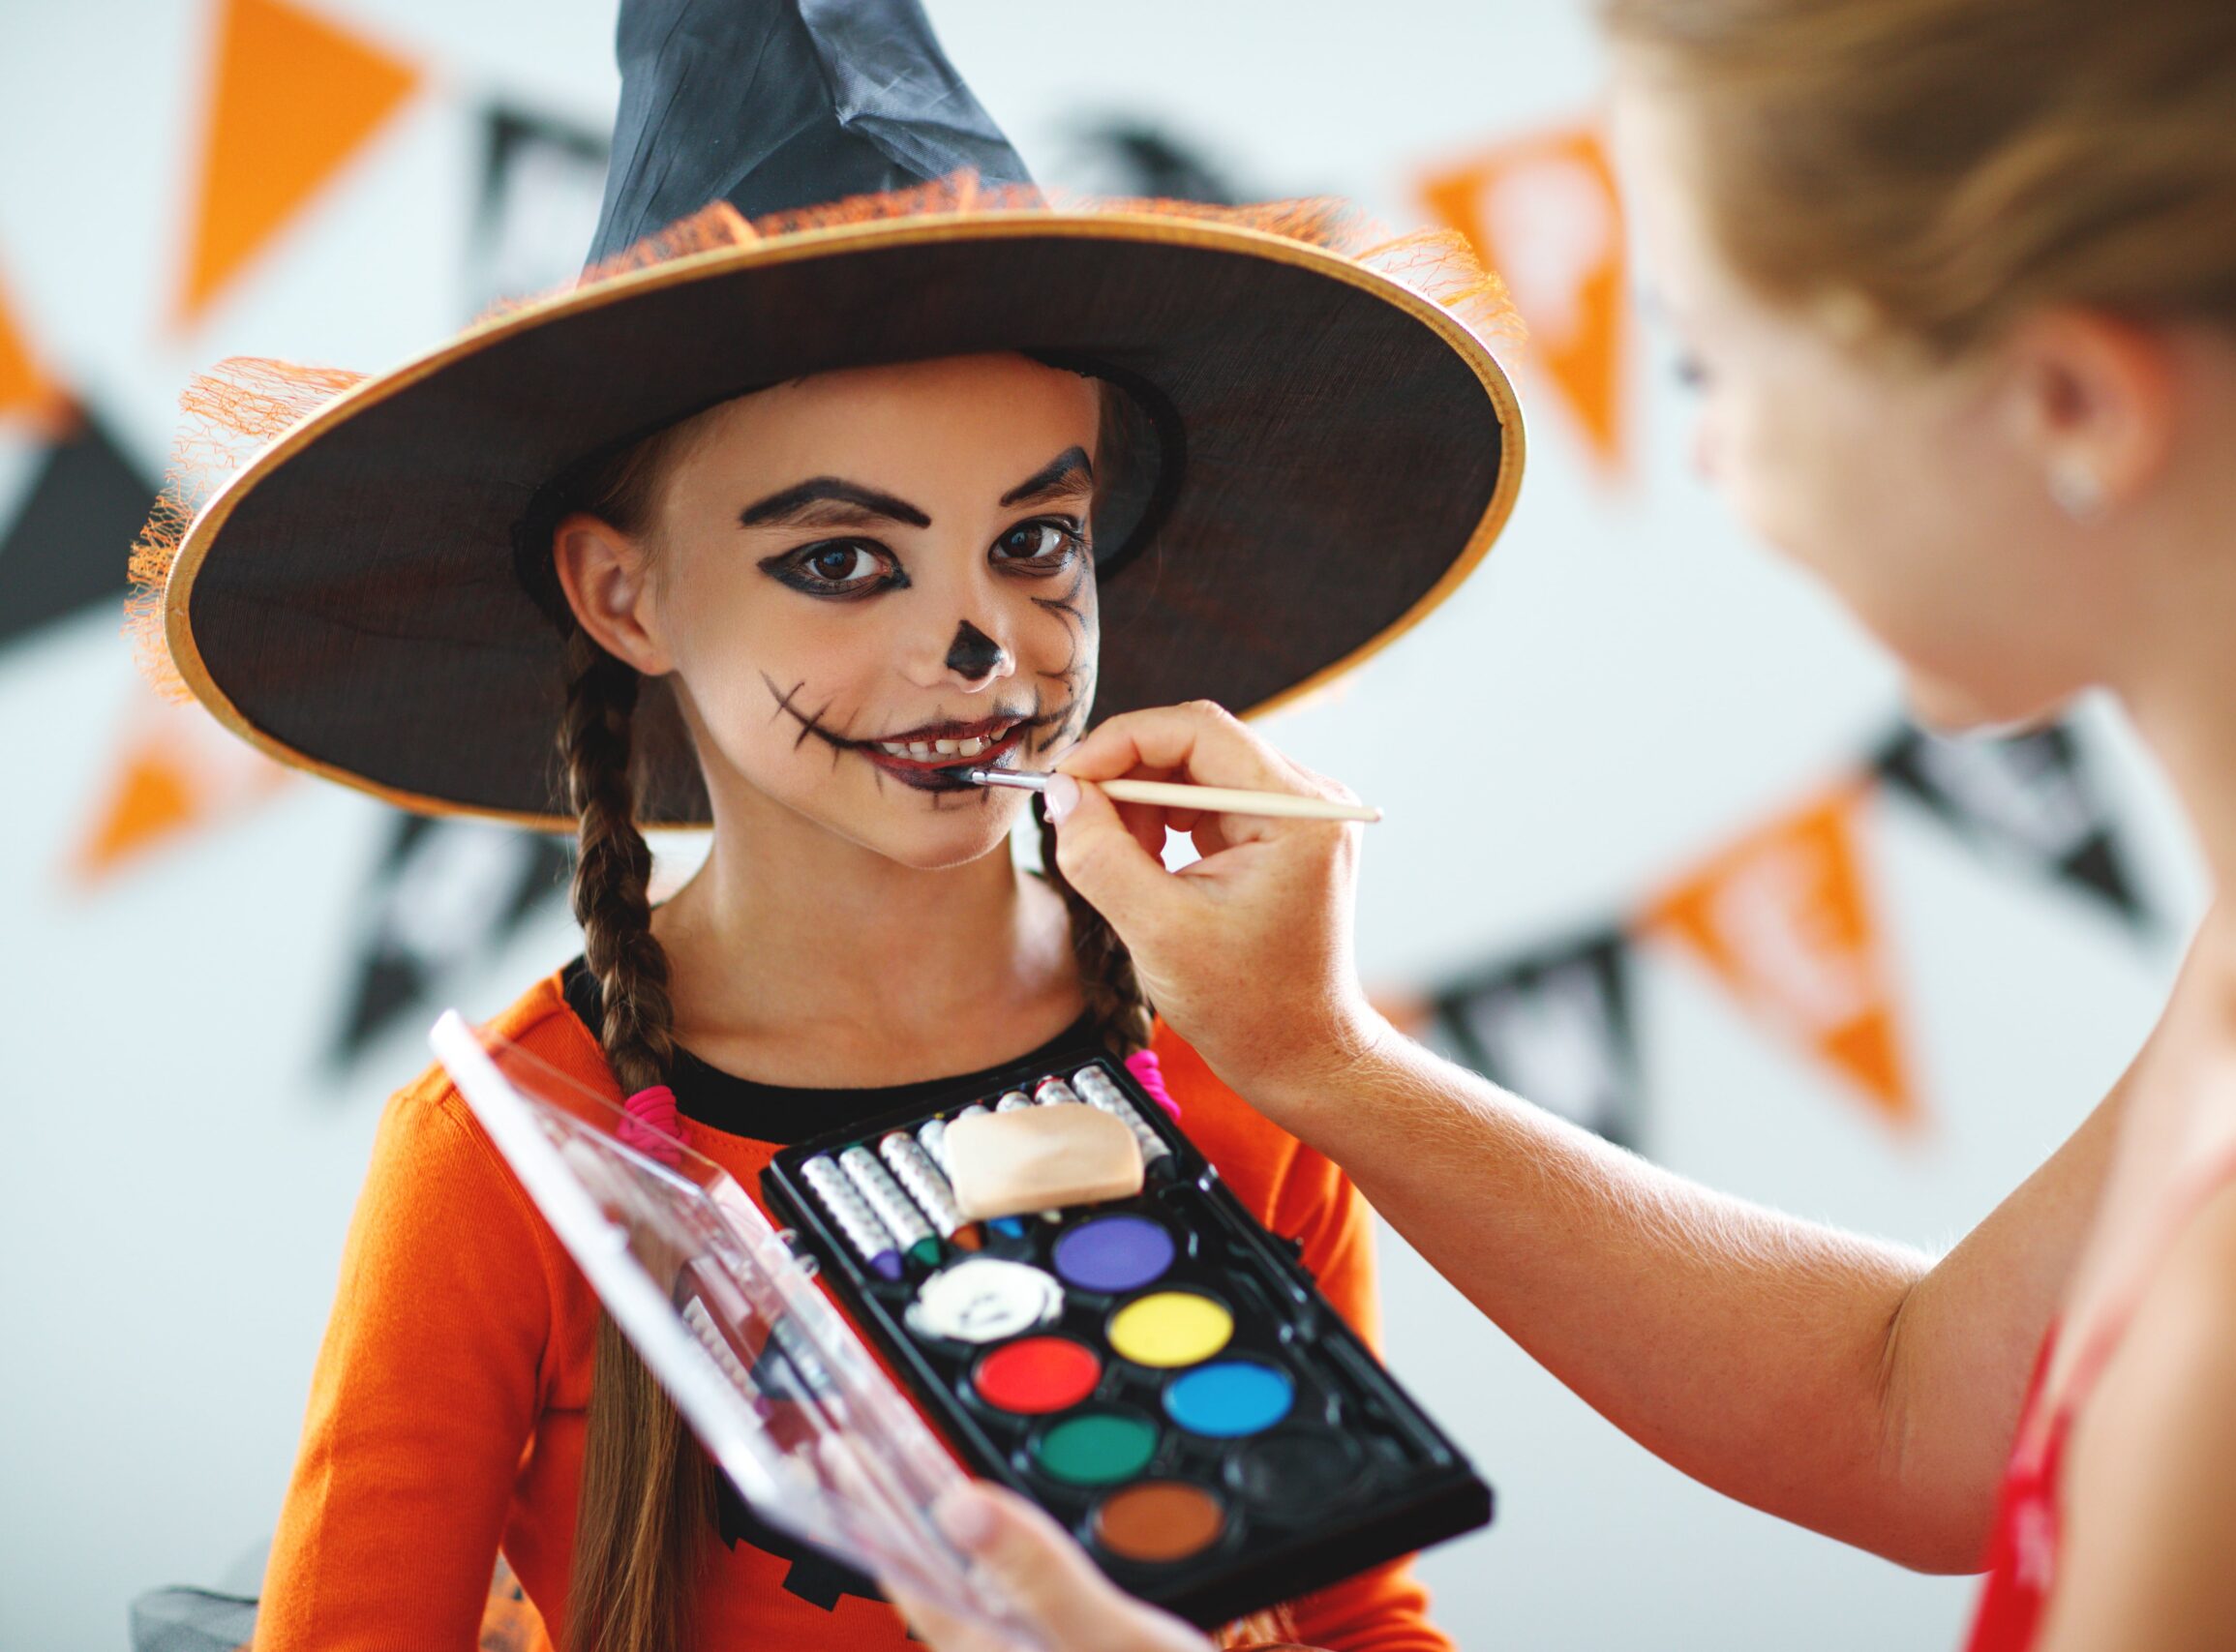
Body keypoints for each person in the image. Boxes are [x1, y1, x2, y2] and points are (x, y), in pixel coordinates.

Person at [893, 0, 2236, 1648]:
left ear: (2072, 401)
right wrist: (1317, 1051)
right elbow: (1918, 1416)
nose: (1716, 459)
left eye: (1711, 367)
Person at [126, 2, 1521, 1649]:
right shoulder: (503, 1157)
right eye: (847, 559)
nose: (984, 645)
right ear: (623, 593)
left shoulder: (1247, 1074)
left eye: (1040, 537)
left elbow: (1360, 1623)